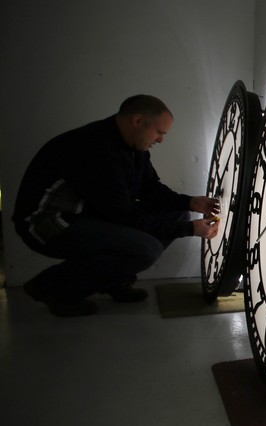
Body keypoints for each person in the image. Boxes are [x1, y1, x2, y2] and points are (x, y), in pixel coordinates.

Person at [13, 95, 220, 317]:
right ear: (138, 120)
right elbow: (123, 215)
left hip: (87, 214)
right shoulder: (95, 148)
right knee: (145, 249)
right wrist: (191, 229)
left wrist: (189, 202)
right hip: (45, 223)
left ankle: (114, 280)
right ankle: (52, 286)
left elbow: (150, 189)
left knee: (178, 214)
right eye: (159, 132)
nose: (161, 140)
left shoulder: (133, 148)